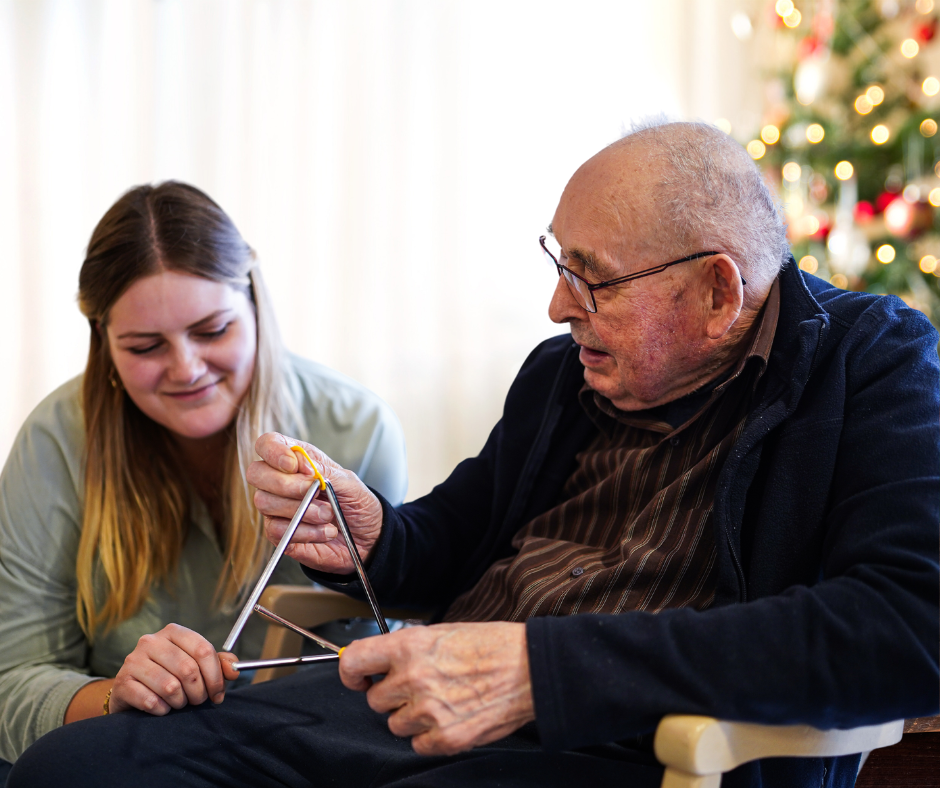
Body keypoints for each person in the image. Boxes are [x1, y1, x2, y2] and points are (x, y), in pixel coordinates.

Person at [10, 122, 939, 788]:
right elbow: (451, 539)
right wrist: (376, 534)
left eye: (591, 277)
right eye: (557, 263)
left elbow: (910, 626)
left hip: (619, 744)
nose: (558, 306)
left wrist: (543, 670)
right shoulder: (563, 375)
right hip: (410, 712)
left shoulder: (873, 363)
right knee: (78, 765)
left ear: (716, 292)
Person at [0, 182, 408, 771]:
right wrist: (116, 697)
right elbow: (11, 680)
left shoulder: (356, 431)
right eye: (144, 346)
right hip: (123, 762)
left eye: (212, 331)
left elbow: (374, 657)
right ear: (103, 345)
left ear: (255, 307)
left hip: (301, 757)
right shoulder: (57, 442)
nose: (186, 369)